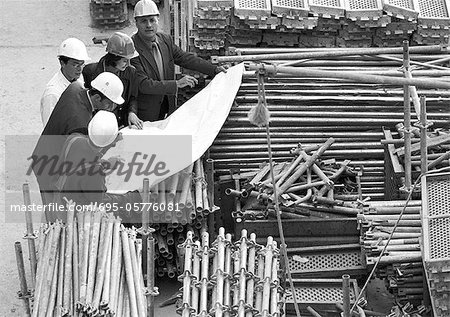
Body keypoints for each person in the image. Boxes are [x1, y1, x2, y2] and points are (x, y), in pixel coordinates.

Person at [31, 72, 125, 216]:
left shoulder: (75, 87)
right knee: (56, 215)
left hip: (48, 152)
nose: (112, 107)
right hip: (49, 167)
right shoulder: (80, 123)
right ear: (97, 97)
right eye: (110, 103)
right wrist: (108, 149)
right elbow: (87, 157)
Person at [131, 0, 227, 122]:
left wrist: (214, 69)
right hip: (146, 113)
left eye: (152, 20)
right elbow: (143, 85)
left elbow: (185, 58)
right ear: (136, 23)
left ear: (158, 20)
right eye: (143, 21)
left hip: (167, 105)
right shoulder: (132, 48)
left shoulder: (165, 40)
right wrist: (177, 84)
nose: (149, 25)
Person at [57, 111, 142, 222]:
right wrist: (127, 199)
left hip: (59, 198)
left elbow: (81, 160)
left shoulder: (74, 139)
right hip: (74, 216)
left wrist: (105, 163)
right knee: (131, 199)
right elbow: (98, 203)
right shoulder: (95, 173)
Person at [83, 32, 144, 129]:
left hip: (121, 123)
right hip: (98, 126)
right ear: (114, 58)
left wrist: (132, 112)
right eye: (124, 60)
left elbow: (133, 97)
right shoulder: (90, 72)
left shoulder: (131, 72)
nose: (128, 64)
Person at [40, 38, 90, 126]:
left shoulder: (78, 78)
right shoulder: (53, 94)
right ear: (62, 63)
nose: (80, 69)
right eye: (75, 64)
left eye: (82, 64)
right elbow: (50, 130)